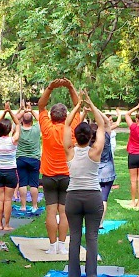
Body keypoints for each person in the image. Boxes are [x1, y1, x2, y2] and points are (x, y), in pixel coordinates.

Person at [63, 92, 107, 277]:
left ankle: (73, 275)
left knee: (74, 237)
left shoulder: (70, 151)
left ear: (76, 136)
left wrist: (78, 106)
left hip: (73, 197)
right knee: (92, 237)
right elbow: (103, 125)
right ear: (90, 136)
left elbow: (66, 124)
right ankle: (91, 275)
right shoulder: (95, 151)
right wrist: (90, 103)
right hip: (92, 197)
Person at [38, 78, 82, 254]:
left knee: (50, 211)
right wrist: (71, 86)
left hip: (48, 176)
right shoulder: (71, 128)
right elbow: (78, 104)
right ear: (66, 116)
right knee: (64, 212)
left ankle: (51, 246)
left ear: (51, 116)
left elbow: (41, 106)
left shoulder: (47, 127)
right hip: (66, 176)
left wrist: (49, 87)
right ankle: (62, 246)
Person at [0, 104, 21, 230]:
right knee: (8, 200)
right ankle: (7, 225)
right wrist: (10, 111)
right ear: (10, 130)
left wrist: (4, 112)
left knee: (0, 199)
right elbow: (18, 124)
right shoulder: (13, 140)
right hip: (10, 172)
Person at [15, 103, 42, 212]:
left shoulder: (19, 129)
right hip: (34, 159)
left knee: (22, 183)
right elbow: (41, 119)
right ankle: (34, 206)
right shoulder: (36, 129)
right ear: (32, 121)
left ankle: (23, 206)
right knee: (34, 184)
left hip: (21, 159)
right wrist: (31, 111)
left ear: (23, 120)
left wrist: (23, 111)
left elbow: (15, 119)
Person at [97, 111, 119, 226]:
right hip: (108, 170)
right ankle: (100, 223)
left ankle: (93, 221)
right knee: (104, 198)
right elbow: (106, 121)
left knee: (95, 198)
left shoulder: (93, 137)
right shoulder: (107, 134)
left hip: (95, 171)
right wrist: (94, 108)